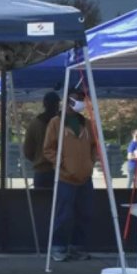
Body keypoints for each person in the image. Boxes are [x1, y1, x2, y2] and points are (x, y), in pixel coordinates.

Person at [41, 88, 96, 262]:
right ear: (68, 101)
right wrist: (62, 165)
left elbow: (94, 145)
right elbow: (48, 149)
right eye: (76, 98)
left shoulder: (86, 124)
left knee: (85, 213)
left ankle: (77, 247)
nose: (80, 102)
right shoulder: (56, 123)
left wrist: (90, 163)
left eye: (81, 98)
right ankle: (58, 246)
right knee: (64, 215)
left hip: (85, 177)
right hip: (66, 177)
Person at [22, 90, 62, 191]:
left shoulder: (34, 124)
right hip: (60, 172)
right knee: (60, 205)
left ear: (44, 104)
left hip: (41, 171)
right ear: (58, 105)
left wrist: (38, 159)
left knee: (40, 205)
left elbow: (27, 151)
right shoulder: (63, 124)